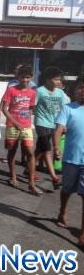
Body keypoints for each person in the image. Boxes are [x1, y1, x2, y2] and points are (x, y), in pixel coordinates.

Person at [54, 76, 84, 248]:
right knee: (66, 189)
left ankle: (82, 234)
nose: (83, 91)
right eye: (80, 87)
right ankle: (62, 210)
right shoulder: (68, 109)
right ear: (75, 90)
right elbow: (58, 130)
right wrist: (56, 147)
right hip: (71, 159)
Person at [1, 65, 40, 195]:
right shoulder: (11, 90)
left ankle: (31, 183)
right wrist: (15, 122)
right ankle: (13, 177)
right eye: (23, 77)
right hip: (12, 126)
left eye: (28, 77)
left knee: (30, 152)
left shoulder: (33, 93)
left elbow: (30, 109)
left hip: (26, 127)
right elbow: (4, 109)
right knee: (12, 151)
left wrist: (26, 121)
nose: (25, 80)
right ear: (18, 77)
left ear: (31, 78)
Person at [35, 66, 69, 190]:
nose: (59, 82)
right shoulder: (39, 91)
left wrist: (64, 124)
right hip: (41, 123)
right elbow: (32, 106)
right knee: (47, 149)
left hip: (54, 124)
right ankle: (54, 177)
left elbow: (64, 109)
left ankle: (29, 168)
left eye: (59, 80)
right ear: (48, 80)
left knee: (40, 149)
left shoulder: (60, 93)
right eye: (56, 79)